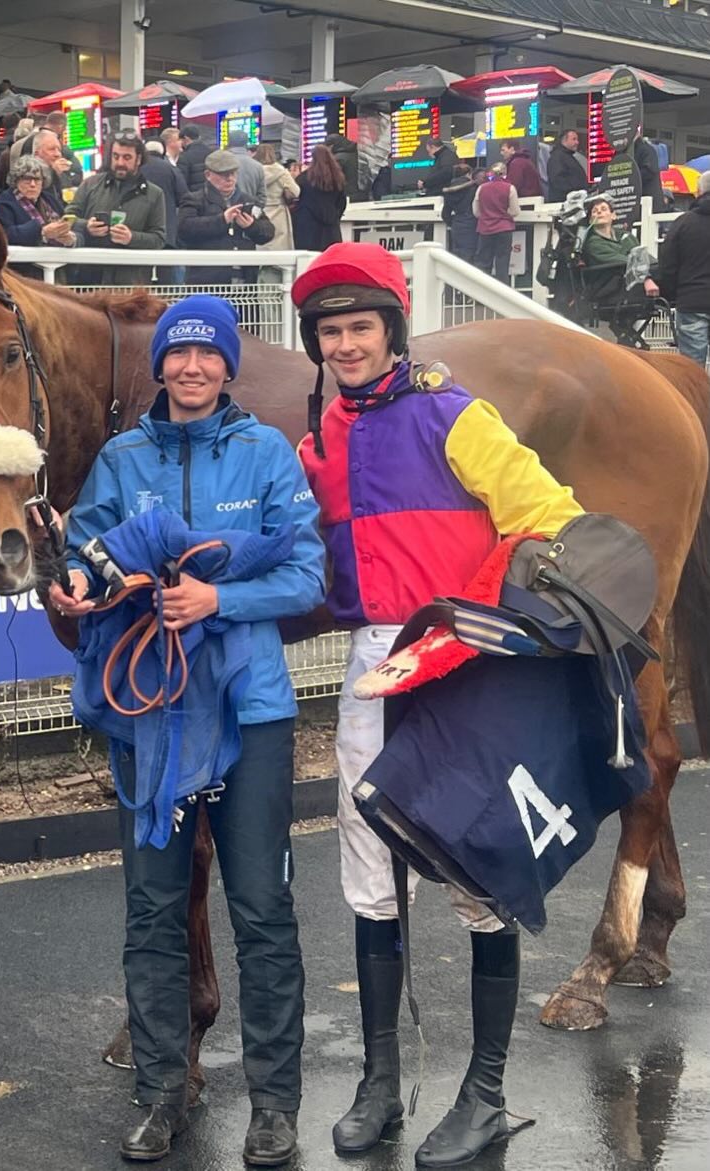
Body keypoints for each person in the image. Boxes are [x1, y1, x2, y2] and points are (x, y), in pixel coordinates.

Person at [291, 241, 585, 1166]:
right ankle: (379, 1081)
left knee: (472, 871)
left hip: (460, 667)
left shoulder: (456, 416)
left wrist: (463, 625)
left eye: (360, 328)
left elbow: (551, 517)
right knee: (369, 872)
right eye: (329, 331)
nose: (345, 345)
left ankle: (486, 1092)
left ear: (390, 330)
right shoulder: (321, 439)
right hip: (370, 666)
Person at [48, 295, 324, 1166]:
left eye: (208, 356)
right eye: (179, 355)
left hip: (251, 710)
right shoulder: (121, 458)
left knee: (262, 907)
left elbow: (306, 575)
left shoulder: (266, 451)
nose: (193, 368)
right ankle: (163, 1089)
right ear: (159, 365)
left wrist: (219, 598)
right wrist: (74, 589)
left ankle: (274, 1103)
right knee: (154, 907)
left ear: (227, 366)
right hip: (152, 715)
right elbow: (82, 555)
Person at [69, 131, 166, 287]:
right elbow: (68, 218)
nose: (120, 162)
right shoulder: (90, 185)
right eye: (115, 156)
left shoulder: (155, 194)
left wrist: (131, 238)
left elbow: (159, 239)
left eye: (127, 157)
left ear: (138, 159)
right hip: (88, 280)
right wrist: (86, 226)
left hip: (131, 284)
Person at [178, 149, 274, 287]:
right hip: (206, 282)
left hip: (245, 283)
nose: (229, 178)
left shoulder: (248, 201)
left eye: (233, 173)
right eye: (223, 174)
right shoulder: (193, 200)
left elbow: (268, 233)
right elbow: (184, 230)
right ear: (208, 174)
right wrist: (221, 220)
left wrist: (252, 226)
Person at [658, 169, 710, 366]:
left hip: (691, 301)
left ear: (698, 192)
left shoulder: (683, 223)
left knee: (692, 370)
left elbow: (668, 265)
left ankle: (695, 398)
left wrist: (672, 296)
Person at [0, 154, 76, 260]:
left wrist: (71, 239)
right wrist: (42, 232)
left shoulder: (50, 200)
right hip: (23, 269)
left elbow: (74, 229)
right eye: (27, 179)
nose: (32, 184)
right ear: (16, 180)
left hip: (58, 266)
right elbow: (4, 235)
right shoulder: (4, 204)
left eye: (37, 179)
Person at [581, 195, 660, 303]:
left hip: (631, 280)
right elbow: (622, 262)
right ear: (590, 220)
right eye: (594, 211)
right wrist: (646, 278)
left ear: (613, 216)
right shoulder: (592, 243)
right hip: (608, 287)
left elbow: (642, 256)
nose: (599, 212)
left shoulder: (626, 236)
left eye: (604, 209)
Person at [291, 142, 347, 253]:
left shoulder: (304, 178)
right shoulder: (338, 178)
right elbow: (342, 203)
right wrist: (335, 216)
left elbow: (295, 196)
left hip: (307, 228)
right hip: (331, 229)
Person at [472, 162, 520, 285]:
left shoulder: (481, 188)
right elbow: (514, 211)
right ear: (504, 173)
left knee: (483, 262)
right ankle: (502, 294)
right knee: (502, 264)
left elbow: (476, 212)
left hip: (485, 229)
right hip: (504, 228)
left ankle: (482, 293)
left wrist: (486, 216)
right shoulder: (510, 188)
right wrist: (504, 214)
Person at [140, 138, 188, 261]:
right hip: (166, 230)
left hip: (139, 232)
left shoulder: (135, 168)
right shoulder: (171, 169)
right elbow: (184, 197)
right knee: (168, 274)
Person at [253, 142, 299, 250]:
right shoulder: (281, 172)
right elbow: (295, 191)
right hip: (278, 211)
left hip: (258, 211)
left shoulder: (255, 171)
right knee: (279, 245)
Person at [441, 163, 481, 264]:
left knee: (457, 259)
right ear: (469, 174)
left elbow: (445, 214)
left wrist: (453, 223)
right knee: (470, 259)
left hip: (457, 226)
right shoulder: (474, 188)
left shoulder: (449, 190)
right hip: (472, 225)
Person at [221, 128, 267, 207]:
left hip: (225, 213)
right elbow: (262, 197)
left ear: (228, 143)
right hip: (248, 214)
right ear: (246, 144)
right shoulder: (258, 166)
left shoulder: (220, 163)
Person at [547, 130, 589, 204]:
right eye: (574, 139)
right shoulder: (558, 157)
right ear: (564, 141)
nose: (577, 142)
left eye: (577, 139)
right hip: (565, 203)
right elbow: (558, 180)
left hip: (572, 201)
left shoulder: (567, 157)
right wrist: (575, 192)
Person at [325, 132, 361, 201]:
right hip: (358, 194)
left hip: (344, 195)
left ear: (332, 146)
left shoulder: (338, 159)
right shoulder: (354, 153)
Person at [177, 124, 211, 192]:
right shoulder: (210, 152)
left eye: (181, 140)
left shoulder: (184, 157)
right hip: (210, 195)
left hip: (194, 197)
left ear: (186, 138)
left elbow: (182, 182)